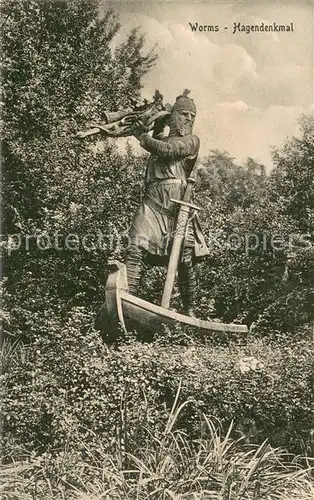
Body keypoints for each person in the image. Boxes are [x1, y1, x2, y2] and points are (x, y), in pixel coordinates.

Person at [126, 89, 209, 316]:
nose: (189, 119)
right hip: (152, 203)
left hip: (176, 207)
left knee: (184, 258)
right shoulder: (159, 139)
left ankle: (190, 310)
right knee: (134, 247)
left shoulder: (191, 142)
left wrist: (142, 136)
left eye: (192, 116)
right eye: (183, 114)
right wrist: (153, 124)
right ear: (173, 116)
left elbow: (167, 150)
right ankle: (128, 301)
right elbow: (158, 141)